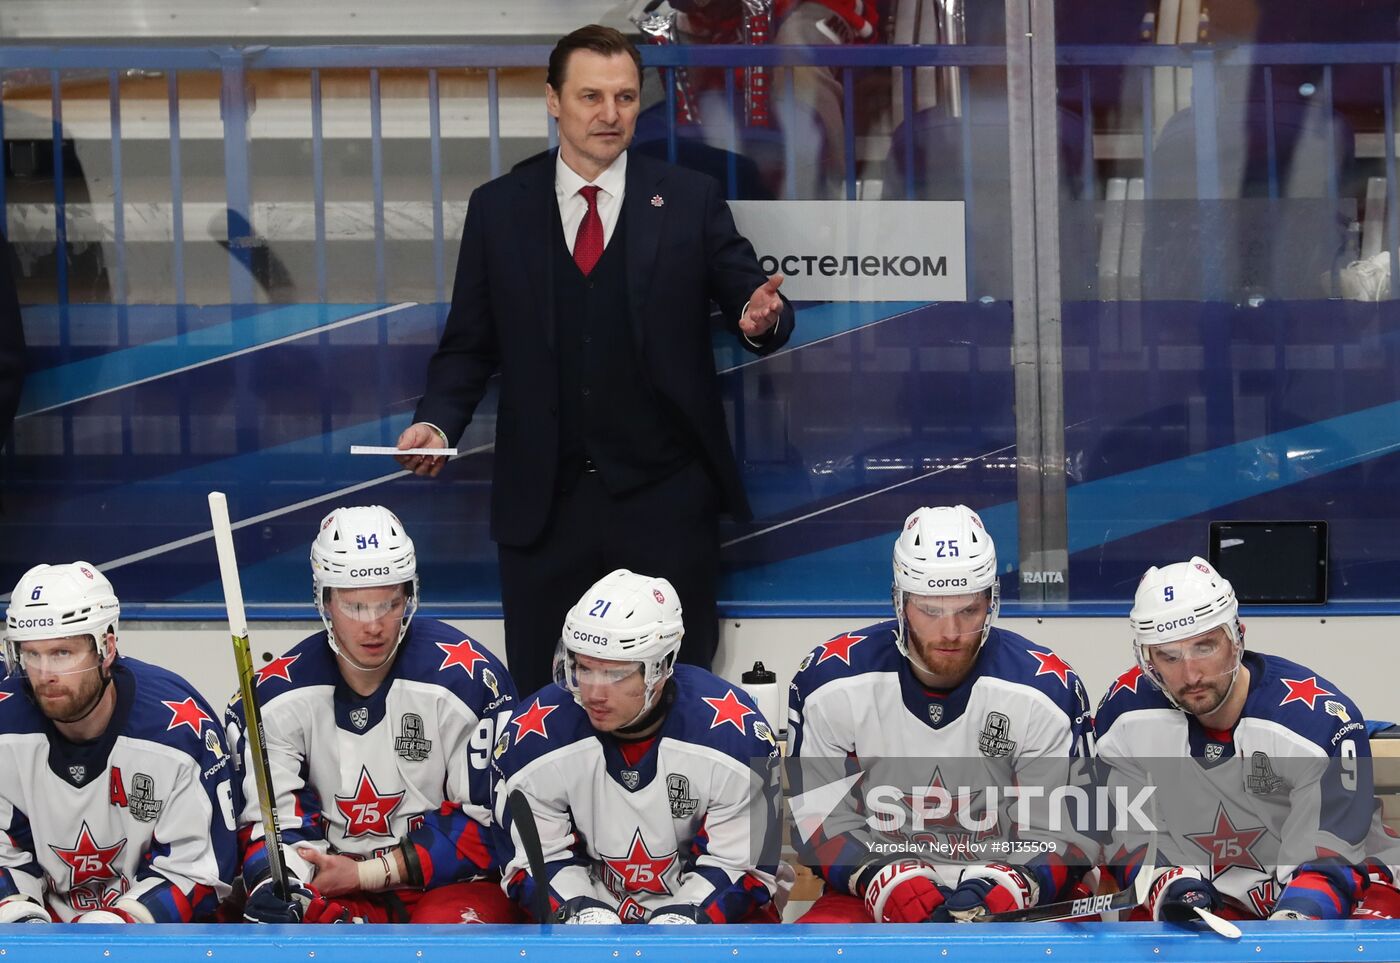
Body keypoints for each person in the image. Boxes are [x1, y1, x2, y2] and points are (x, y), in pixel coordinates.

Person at [396, 24, 796, 696]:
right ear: (553, 101)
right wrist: (437, 425)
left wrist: (763, 319)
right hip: (541, 511)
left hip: (665, 503)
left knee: (681, 699)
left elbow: (750, 298)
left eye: (625, 97)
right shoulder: (499, 209)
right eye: (590, 96)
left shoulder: (689, 198)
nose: (610, 114)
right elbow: (469, 343)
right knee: (542, 705)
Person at [787, 505, 1098, 923]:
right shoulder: (829, 682)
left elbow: (1071, 829)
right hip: (875, 887)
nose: (950, 632)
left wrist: (1016, 881)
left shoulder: (1044, 688)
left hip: (1012, 888)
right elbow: (815, 816)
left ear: (991, 602)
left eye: (968, 610)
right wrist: (878, 876)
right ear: (900, 602)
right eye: (931, 611)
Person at [230, 505, 521, 924]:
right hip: (328, 881)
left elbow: (486, 824)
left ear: (410, 595)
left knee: (451, 944)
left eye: (388, 603)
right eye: (355, 607)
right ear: (324, 600)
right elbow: (273, 823)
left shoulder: (469, 681)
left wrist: (368, 873)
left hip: (446, 889)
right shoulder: (276, 696)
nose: (373, 626)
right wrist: (285, 884)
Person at [1095, 557, 1400, 922]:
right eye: (1169, 656)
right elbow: (1130, 836)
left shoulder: (1313, 723)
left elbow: (1330, 859)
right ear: (1148, 660)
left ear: (1237, 636)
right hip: (1216, 898)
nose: (1190, 673)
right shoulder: (1125, 715)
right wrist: (1170, 882)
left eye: (1205, 647)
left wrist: (1288, 931)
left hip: (1344, 888)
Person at [492, 568, 782, 924]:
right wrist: (579, 911)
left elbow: (744, 867)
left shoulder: (735, 737)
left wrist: (688, 917)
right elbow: (531, 861)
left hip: (702, 924)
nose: (593, 692)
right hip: (586, 921)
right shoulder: (533, 737)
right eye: (583, 668)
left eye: (615, 674)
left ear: (662, 667)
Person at [0, 562, 236, 923]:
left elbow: (198, 868)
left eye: (62, 653)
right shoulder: (6, 728)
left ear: (106, 647)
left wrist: (125, 923)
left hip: (150, 943)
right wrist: (21, 920)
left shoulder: (175, 734)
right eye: (32, 654)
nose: (45, 675)